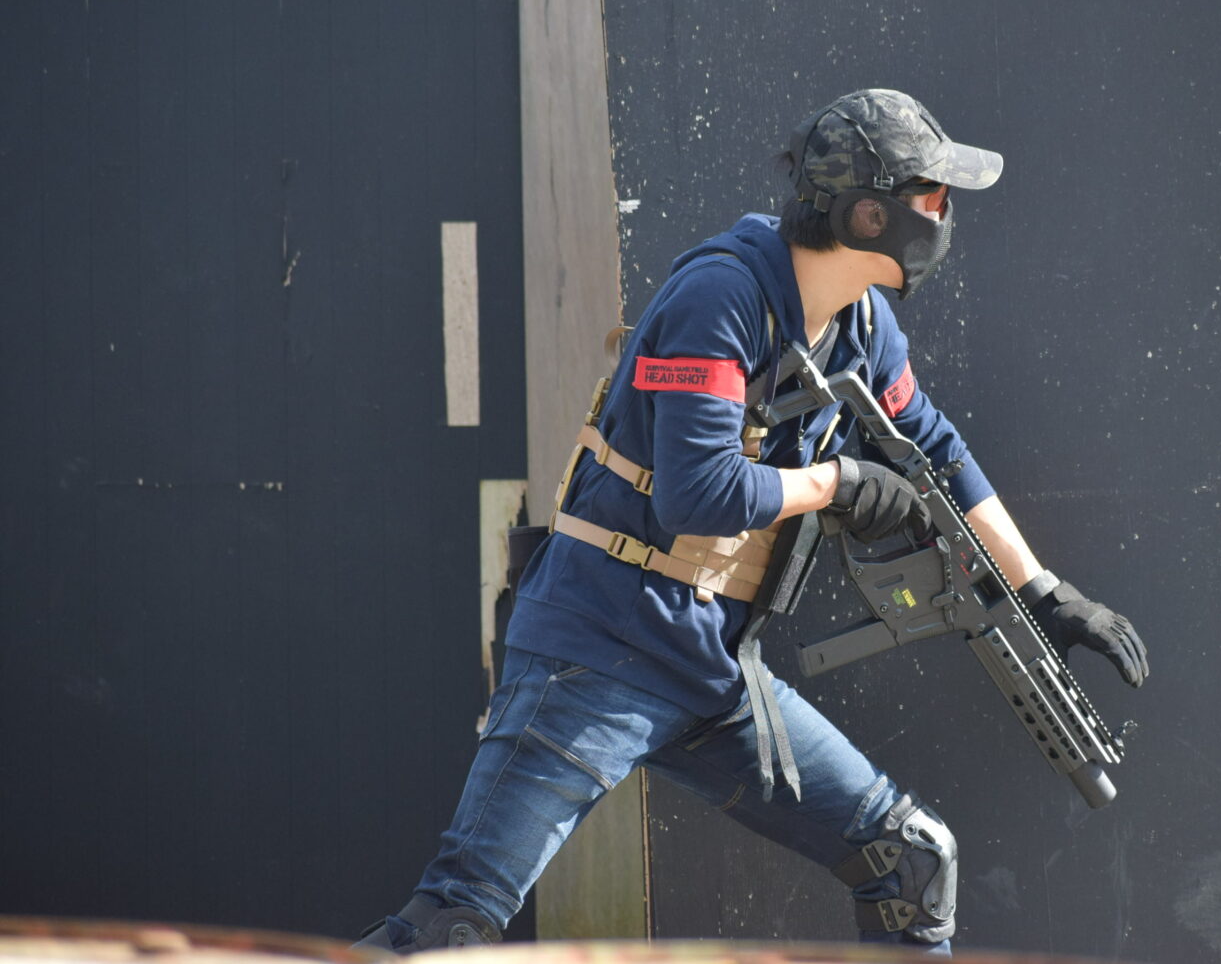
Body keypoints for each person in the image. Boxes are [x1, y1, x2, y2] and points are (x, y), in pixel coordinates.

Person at [355, 88, 1148, 955]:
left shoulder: (863, 322)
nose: (944, 214)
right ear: (869, 213)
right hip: (598, 652)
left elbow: (935, 448)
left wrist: (1046, 594)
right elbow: (696, 495)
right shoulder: (721, 296)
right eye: (932, 195)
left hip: (714, 664)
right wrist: (837, 482)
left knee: (912, 862)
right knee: (453, 926)